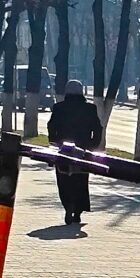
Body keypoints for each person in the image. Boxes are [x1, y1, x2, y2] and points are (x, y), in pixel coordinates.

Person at [46, 79, 102, 229]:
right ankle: (78, 211)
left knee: (63, 179)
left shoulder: (59, 108)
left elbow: (51, 126)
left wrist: (54, 142)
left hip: (63, 151)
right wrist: (93, 146)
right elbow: (98, 128)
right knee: (81, 180)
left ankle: (68, 206)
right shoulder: (90, 108)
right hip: (83, 152)